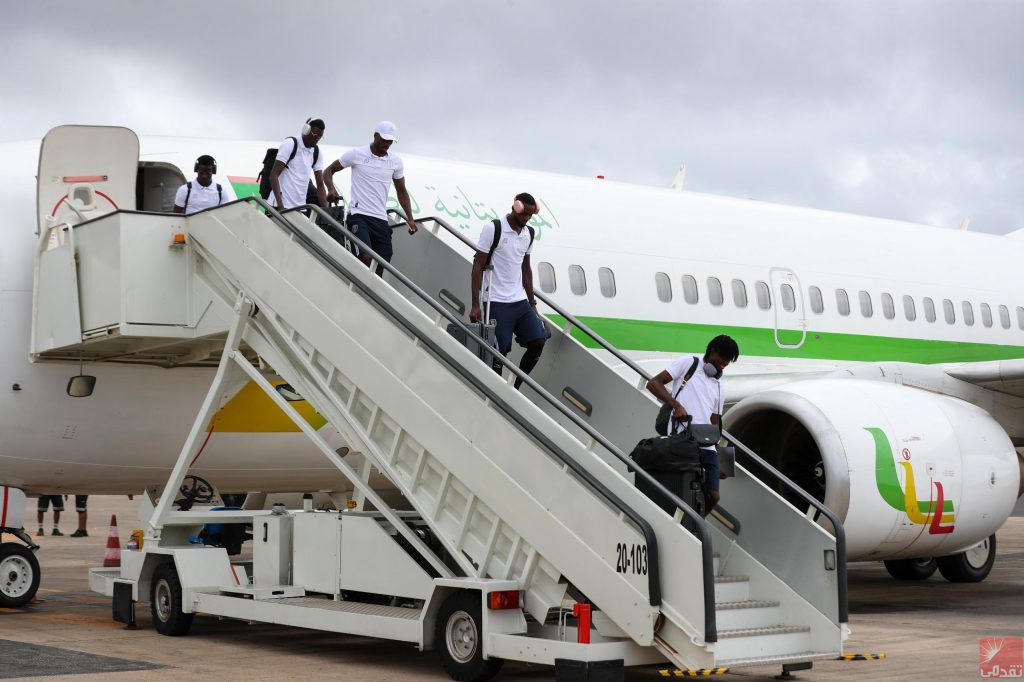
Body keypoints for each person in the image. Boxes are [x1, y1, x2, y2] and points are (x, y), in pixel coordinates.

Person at [645, 335, 740, 513]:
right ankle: (684, 525)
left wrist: (720, 459)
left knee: (714, 496)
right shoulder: (689, 363)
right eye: (721, 362)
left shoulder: (720, 385)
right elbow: (653, 383)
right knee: (680, 488)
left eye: (726, 365)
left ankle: (696, 524)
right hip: (683, 437)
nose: (722, 367)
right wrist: (676, 405)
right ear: (712, 352)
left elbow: (715, 421)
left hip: (706, 443)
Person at [469, 193, 547, 390]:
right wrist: (476, 304)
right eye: (524, 214)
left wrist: (532, 303)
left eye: (531, 215)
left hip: (518, 300)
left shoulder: (528, 233)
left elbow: (526, 269)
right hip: (494, 300)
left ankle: (515, 388)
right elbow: (478, 266)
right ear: (515, 207)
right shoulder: (493, 229)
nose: (527, 219)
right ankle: (495, 394)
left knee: (538, 340)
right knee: (499, 353)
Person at [323, 121, 418, 275]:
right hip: (359, 214)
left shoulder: (395, 161)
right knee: (365, 257)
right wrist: (331, 189)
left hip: (380, 218)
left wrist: (410, 218)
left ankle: (369, 296)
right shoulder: (356, 154)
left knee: (382, 265)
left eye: (390, 141)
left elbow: (401, 190)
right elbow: (328, 171)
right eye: (384, 139)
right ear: (375, 136)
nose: (387, 144)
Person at [269, 118, 328, 213]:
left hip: (299, 208)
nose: (317, 139)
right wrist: (280, 207)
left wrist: (326, 211)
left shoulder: (316, 152)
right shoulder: (290, 144)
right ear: (306, 129)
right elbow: (273, 175)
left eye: (320, 137)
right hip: (279, 206)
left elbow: (320, 185)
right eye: (315, 135)